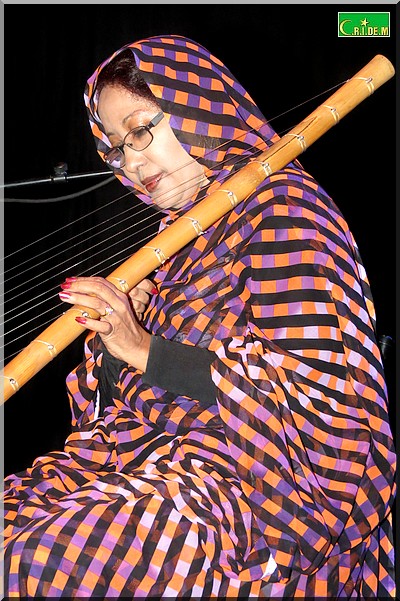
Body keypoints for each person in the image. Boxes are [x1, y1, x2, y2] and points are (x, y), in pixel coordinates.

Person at [3, 35, 396, 599]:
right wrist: (116, 342)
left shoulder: (285, 209)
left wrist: (144, 349)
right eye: (116, 149)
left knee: (47, 559)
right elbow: (129, 399)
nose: (132, 162)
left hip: (257, 491)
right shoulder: (178, 239)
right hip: (142, 458)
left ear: (197, 109)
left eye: (141, 131)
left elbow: (319, 402)